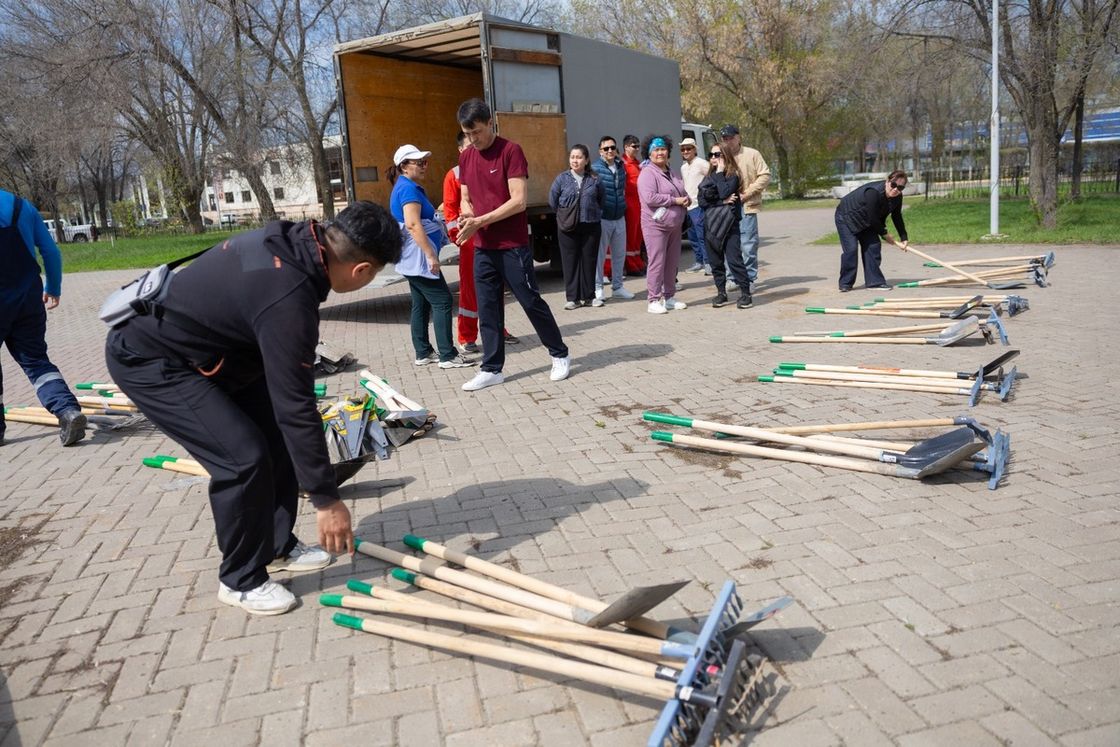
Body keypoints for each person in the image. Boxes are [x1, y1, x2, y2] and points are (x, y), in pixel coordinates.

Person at [105, 201, 402, 616]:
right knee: (242, 458)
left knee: (275, 437)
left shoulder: (297, 240)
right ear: (362, 271)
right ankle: (240, 579)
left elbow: (287, 411)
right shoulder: (289, 299)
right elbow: (295, 405)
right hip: (152, 360)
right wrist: (326, 500)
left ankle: (278, 545)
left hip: (211, 355)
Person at [454, 98, 571, 391]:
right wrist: (467, 217)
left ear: (490, 124)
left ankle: (559, 353)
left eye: (477, 132)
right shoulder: (466, 156)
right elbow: (466, 196)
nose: (473, 139)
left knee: (530, 300)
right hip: (483, 246)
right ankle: (492, 368)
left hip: (512, 245)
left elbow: (518, 201)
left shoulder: (510, 151)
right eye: (467, 134)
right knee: (488, 307)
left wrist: (480, 221)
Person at [0, 189, 87, 448]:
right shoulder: (22, 206)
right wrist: (54, 287)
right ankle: (68, 411)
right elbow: (50, 251)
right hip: (28, 296)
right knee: (36, 361)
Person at [389, 143, 475, 370]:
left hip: (411, 258)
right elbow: (413, 224)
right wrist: (431, 255)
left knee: (420, 303)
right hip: (418, 257)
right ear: (404, 166)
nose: (425, 166)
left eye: (425, 162)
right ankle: (448, 355)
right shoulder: (408, 189)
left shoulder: (406, 186)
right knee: (443, 301)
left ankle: (424, 352)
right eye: (419, 162)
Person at [441, 132, 518, 353]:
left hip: (493, 237)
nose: (473, 148)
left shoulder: (485, 167)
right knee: (470, 290)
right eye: (468, 146)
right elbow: (450, 212)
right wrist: (461, 237)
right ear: (460, 150)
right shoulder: (453, 175)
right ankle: (467, 336)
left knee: (496, 287)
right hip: (470, 242)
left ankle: (498, 330)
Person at [636, 134, 690, 314]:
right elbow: (650, 198)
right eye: (656, 150)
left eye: (663, 149)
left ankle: (669, 297)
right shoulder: (647, 173)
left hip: (675, 225)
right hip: (655, 225)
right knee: (657, 261)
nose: (660, 153)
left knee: (672, 262)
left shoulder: (672, 171)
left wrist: (686, 199)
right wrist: (675, 200)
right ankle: (653, 299)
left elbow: (681, 190)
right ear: (649, 153)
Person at [549, 144, 605, 310]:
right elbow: (553, 201)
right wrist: (563, 215)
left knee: (589, 260)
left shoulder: (595, 178)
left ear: (586, 160)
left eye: (579, 157)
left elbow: (602, 199)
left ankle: (589, 297)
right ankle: (572, 298)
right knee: (570, 261)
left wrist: (592, 212)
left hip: (591, 225)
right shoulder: (562, 179)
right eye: (572, 157)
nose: (575, 160)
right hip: (567, 227)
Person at [835, 170, 910, 291]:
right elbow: (873, 218)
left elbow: (897, 216)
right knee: (851, 249)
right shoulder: (873, 192)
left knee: (873, 246)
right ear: (887, 181)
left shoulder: (897, 197)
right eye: (893, 185)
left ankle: (874, 282)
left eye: (900, 187)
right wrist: (885, 234)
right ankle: (845, 283)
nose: (896, 189)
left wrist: (904, 237)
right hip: (846, 216)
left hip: (867, 220)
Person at [698, 145, 752, 308]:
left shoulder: (732, 176)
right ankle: (721, 293)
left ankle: (745, 293)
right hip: (711, 225)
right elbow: (702, 201)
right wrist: (721, 202)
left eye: (718, 154)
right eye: (711, 155)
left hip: (729, 225)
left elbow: (722, 191)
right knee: (715, 262)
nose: (714, 157)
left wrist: (721, 172)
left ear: (726, 156)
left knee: (735, 260)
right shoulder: (707, 178)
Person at [718, 124, 771, 290]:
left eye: (731, 138)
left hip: (747, 205)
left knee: (748, 244)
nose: (728, 141)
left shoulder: (752, 154)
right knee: (729, 244)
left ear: (739, 137)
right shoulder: (720, 156)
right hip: (726, 207)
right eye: (725, 138)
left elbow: (765, 175)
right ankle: (731, 277)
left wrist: (747, 194)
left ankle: (749, 279)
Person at [590, 135, 634, 302]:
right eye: (606, 148)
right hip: (603, 218)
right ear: (600, 151)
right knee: (600, 255)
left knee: (619, 254)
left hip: (619, 217)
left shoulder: (621, 166)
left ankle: (617, 287)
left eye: (612, 148)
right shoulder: (595, 169)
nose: (610, 151)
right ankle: (598, 287)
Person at [679, 138, 710, 273]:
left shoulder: (702, 163)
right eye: (683, 149)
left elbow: (713, 177)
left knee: (702, 235)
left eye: (688, 148)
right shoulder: (683, 167)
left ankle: (708, 263)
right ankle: (699, 261)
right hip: (688, 207)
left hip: (699, 206)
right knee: (692, 237)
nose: (685, 151)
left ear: (695, 149)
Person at [620, 134, 647, 276]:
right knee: (631, 235)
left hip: (639, 203)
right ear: (626, 147)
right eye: (634, 146)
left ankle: (637, 260)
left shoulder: (637, 163)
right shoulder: (623, 164)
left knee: (638, 235)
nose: (637, 149)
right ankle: (631, 265)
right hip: (629, 204)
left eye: (638, 146)